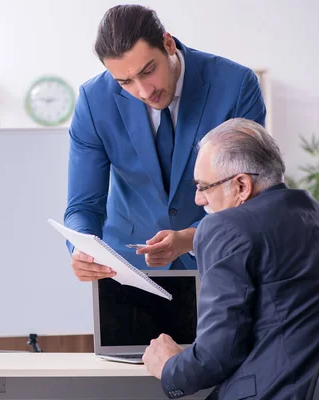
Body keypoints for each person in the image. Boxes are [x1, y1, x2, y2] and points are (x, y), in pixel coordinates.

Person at [142, 118, 319, 399]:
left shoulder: (225, 227)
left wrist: (169, 366)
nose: (199, 200)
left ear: (241, 186)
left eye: (204, 187)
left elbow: (214, 357)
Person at [65, 4, 266, 279]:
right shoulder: (94, 100)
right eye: (125, 82)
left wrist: (190, 238)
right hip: (127, 269)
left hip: (218, 262)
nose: (144, 91)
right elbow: (83, 206)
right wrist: (81, 248)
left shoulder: (236, 85)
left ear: (168, 44)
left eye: (148, 71)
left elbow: (250, 193)